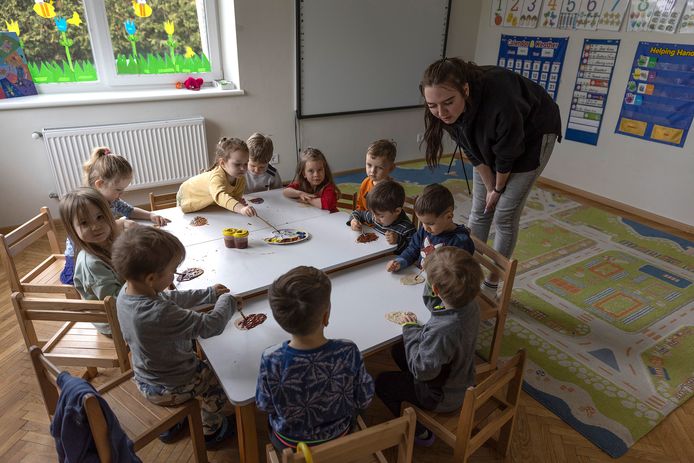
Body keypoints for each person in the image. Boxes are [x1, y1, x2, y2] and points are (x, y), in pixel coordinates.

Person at [420, 57, 561, 294]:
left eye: (448, 103)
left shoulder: (500, 98)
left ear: (465, 90)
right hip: (497, 137)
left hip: (534, 134)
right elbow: (473, 153)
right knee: (481, 209)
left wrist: (497, 189)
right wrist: (489, 188)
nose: (441, 112)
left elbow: (507, 156)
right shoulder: (443, 108)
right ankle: (463, 275)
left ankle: (491, 284)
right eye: (433, 106)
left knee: (504, 214)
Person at [112, 227, 237, 447]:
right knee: (218, 381)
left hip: (144, 375)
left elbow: (169, 297)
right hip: (174, 383)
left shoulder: (127, 291)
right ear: (151, 278)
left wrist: (208, 293)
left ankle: (172, 426)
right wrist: (227, 301)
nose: (175, 275)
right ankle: (210, 429)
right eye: (173, 270)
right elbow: (211, 326)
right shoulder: (158, 313)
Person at [256, 266, 374, 451]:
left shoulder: (271, 359)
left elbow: (264, 405)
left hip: (290, 444)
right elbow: (364, 399)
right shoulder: (348, 350)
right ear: (326, 316)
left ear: (281, 321)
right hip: (340, 435)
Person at [376, 246, 483, 445]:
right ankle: (411, 386)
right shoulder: (470, 305)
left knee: (382, 382)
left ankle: (419, 431)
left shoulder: (444, 330)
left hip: (441, 396)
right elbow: (436, 309)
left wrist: (409, 327)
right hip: (461, 377)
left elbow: (421, 371)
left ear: (435, 289)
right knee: (399, 350)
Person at [59, 147, 169, 285]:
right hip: (80, 250)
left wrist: (151, 215)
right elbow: (84, 233)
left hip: (101, 245)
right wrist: (123, 223)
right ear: (100, 184)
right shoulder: (84, 203)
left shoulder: (113, 200)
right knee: (76, 279)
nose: (121, 194)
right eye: (118, 190)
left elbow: (130, 211)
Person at [59, 187, 134, 336]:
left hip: (128, 304)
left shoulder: (108, 241)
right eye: (84, 223)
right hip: (115, 322)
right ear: (72, 229)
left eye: (100, 217)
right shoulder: (91, 264)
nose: (95, 226)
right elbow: (115, 303)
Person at [386, 183, 473, 273]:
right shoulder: (426, 230)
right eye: (423, 222)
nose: (425, 228)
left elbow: (458, 274)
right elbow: (412, 249)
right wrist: (400, 262)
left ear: (448, 216)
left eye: (430, 224)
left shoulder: (461, 243)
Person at [177, 137, 256, 216]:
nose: (243, 168)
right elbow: (220, 196)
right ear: (222, 163)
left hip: (209, 200)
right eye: (237, 164)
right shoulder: (217, 177)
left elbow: (235, 197)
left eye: (246, 163)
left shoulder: (240, 178)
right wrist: (241, 209)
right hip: (188, 196)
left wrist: (237, 202)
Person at [349, 180, 415, 254]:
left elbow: (413, 252)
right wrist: (354, 221)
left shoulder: (407, 229)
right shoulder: (375, 216)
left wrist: (398, 241)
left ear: (397, 211)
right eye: (373, 213)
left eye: (381, 216)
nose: (375, 219)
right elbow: (357, 213)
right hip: (372, 253)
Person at [283, 147, 339, 212]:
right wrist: (300, 193)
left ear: (325, 170)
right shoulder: (302, 184)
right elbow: (286, 191)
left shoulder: (328, 187)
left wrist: (308, 200)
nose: (316, 174)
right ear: (304, 174)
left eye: (320, 170)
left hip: (331, 219)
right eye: (311, 171)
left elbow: (327, 204)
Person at [356, 139, 397, 211]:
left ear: (391, 168)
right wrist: (356, 218)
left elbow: (392, 216)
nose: (372, 171)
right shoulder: (365, 183)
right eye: (369, 165)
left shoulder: (392, 191)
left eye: (379, 168)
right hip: (365, 220)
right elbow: (360, 206)